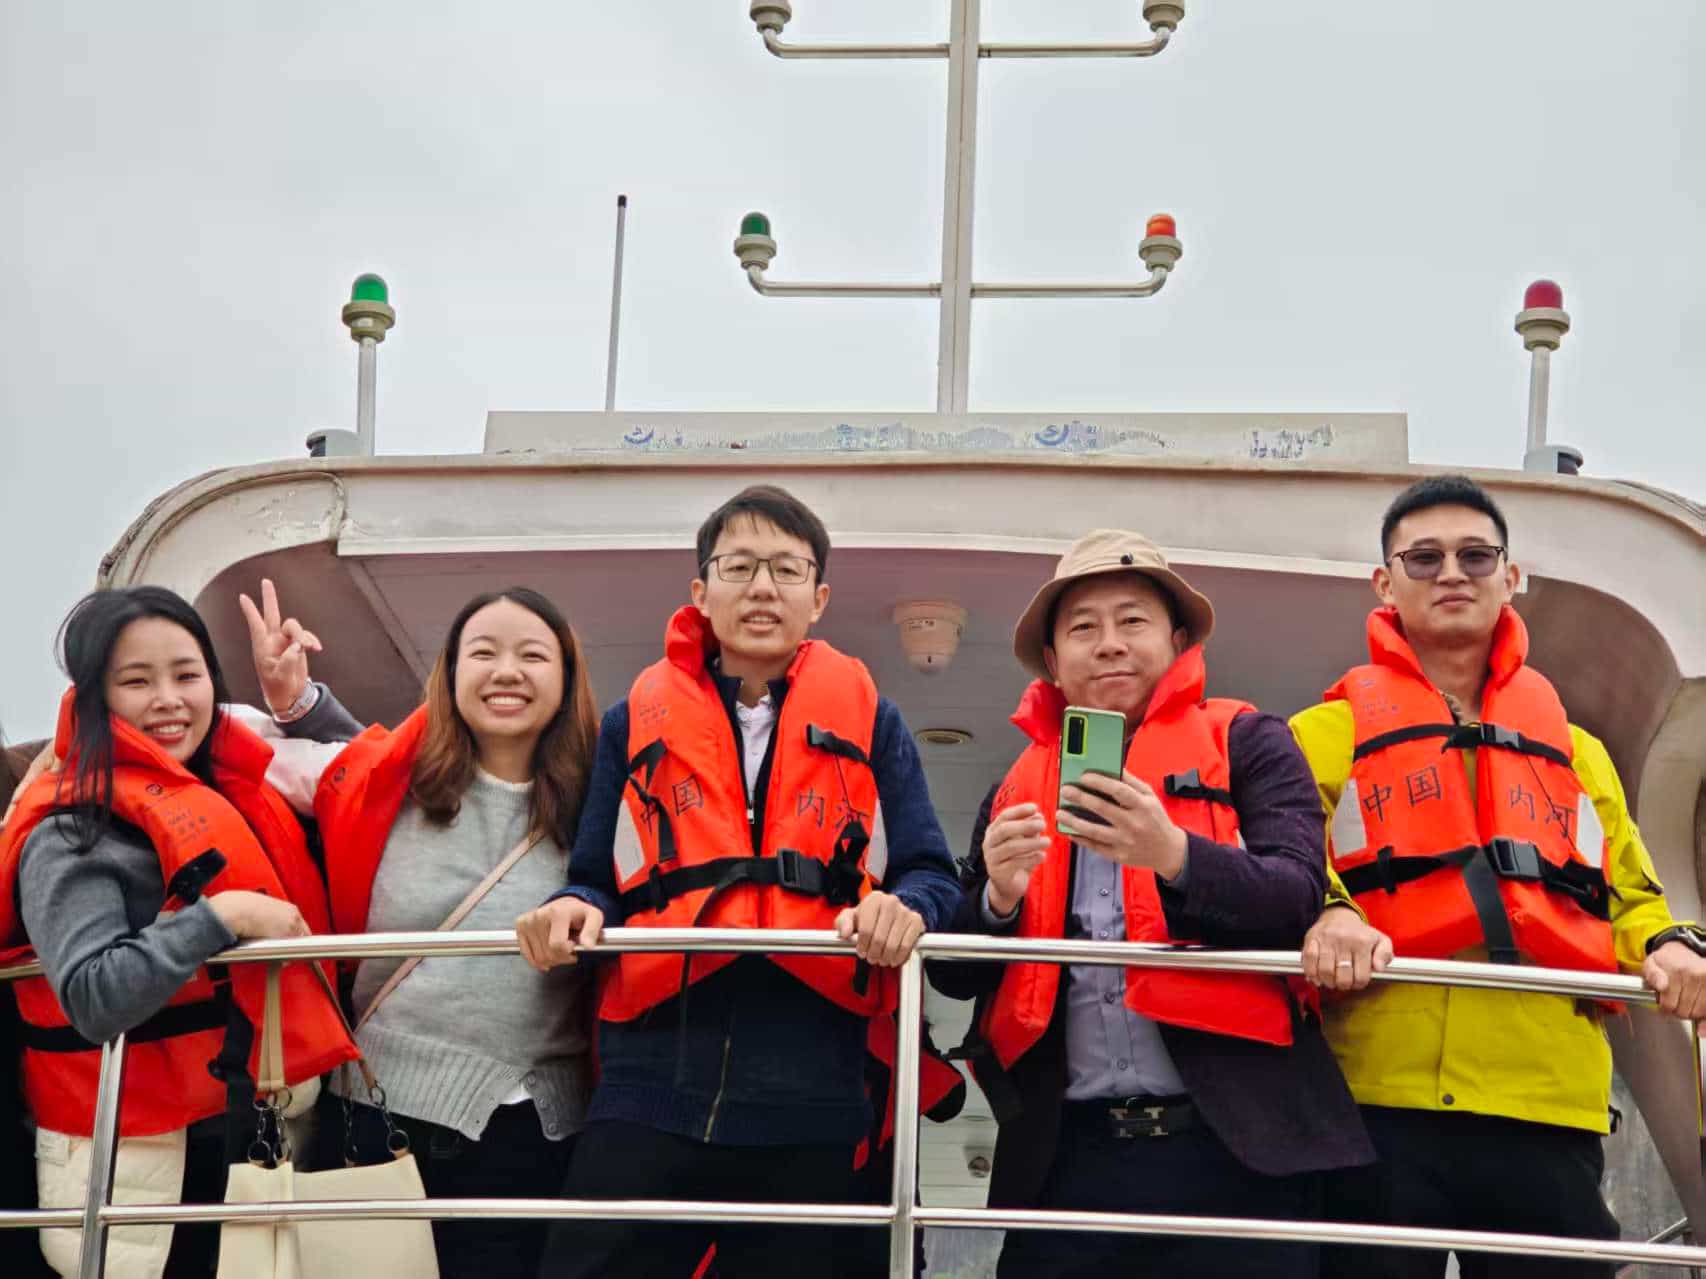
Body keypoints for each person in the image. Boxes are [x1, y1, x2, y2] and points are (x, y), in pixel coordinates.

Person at [515, 484, 962, 1278]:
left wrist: (907, 907)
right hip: (650, 1082)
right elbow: (594, 879)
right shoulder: (630, 722)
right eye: (740, 566)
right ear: (701, 590)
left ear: (818, 598)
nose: (763, 587)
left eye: (787, 569)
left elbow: (931, 870)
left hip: (814, 1090)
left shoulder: (875, 721)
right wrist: (571, 908)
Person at [1293, 474, 1706, 1278]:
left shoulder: (1580, 754)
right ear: (1385, 583)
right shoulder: (1320, 735)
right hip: (1377, 1100)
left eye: (1475, 556)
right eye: (1424, 557)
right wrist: (1330, 912)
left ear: (1510, 577)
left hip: (1549, 1102)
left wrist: (1669, 946)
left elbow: (1631, 896)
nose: (1452, 572)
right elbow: (1288, 865)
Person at [931, 529, 1372, 1279]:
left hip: (1238, 1156)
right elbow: (954, 975)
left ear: (1176, 639)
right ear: (1052, 662)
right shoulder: (1012, 790)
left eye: (1132, 620)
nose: (1110, 643)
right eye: (1083, 627)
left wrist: (1174, 855)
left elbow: (1299, 895)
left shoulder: (1251, 742)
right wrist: (998, 899)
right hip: (1066, 1163)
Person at [239, 581, 599, 1279]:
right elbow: (243, 748)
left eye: (533, 655)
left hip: (538, 1130)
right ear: (451, 674)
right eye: (483, 653)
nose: (506, 672)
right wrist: (295, 698)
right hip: (376, 1116)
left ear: (567, 679)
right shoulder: (389, 783)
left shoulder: (599, 807)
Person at [0, 587, 356, 1278]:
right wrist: (222, 917)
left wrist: (301, 701)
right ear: (95, 700)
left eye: (187, 675)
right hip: (142, 1168)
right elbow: (93, 995)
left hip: (253, 1128)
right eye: (137, 681)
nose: (168, 699)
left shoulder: (236, 791)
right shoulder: (70, 833)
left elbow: (375, 780)